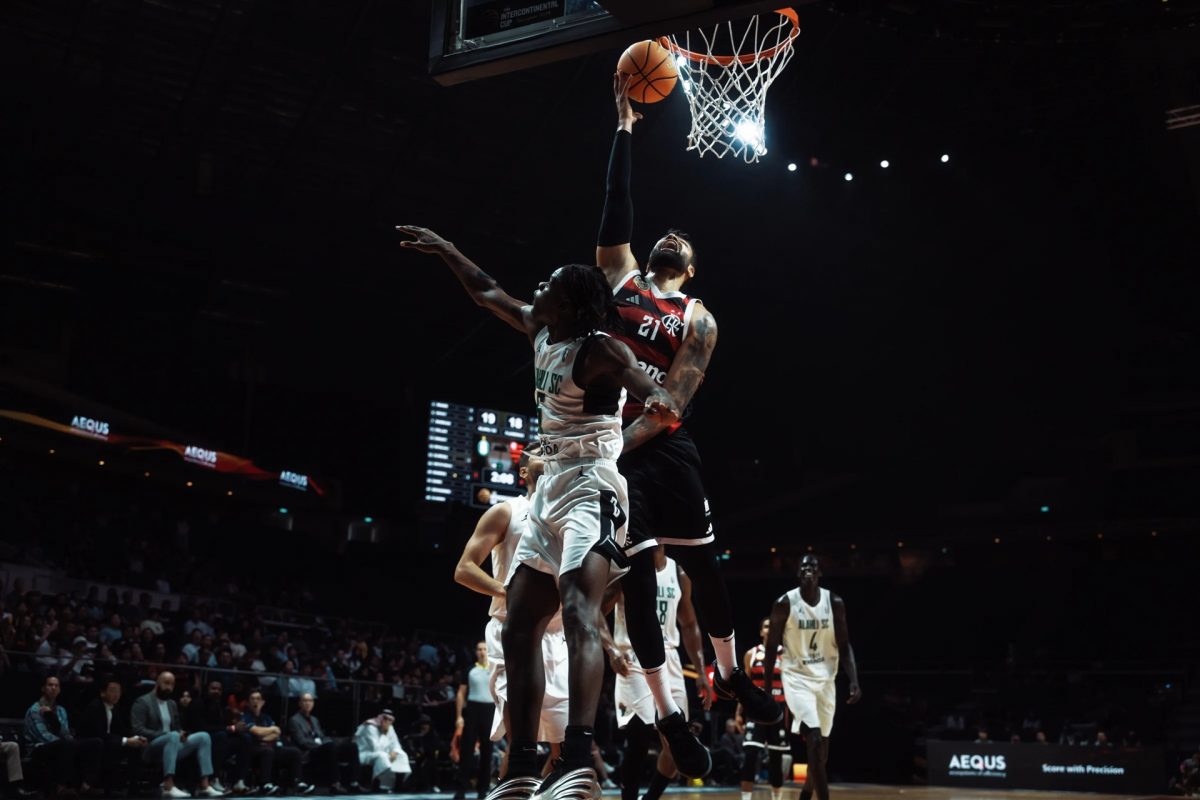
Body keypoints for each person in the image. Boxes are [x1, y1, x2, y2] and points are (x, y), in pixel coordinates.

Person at [396, 225, 681, 800]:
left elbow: (648, 386)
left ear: (571, 304)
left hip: (592, 487)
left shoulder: (601, 349)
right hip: (550, 487)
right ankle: (522, 765)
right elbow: (487, 292)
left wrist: (658, 398)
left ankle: (577, 758)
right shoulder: (540, 329)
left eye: (549, 285)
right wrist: (448, 250)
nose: (537, 289)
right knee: (519, 623)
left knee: (578, 612)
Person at [592, 70, 781, 779]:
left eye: (682, 240)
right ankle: (673, 720)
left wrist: (615, 444)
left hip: (663, 451)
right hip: (616, 456)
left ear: (690, 267)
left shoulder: (699, 319)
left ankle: (730, 677)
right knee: (639, 590)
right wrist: (624, 129)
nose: (669, 235)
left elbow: (670, 403)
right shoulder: (620, 279)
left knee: (704, 566)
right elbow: (616, 206)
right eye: (663, 235)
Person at [452, 447, 567, 780]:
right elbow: (464, 569)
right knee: (521, 741)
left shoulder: (570, 515)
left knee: (567, 750)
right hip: (512, 629)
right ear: (524, 471)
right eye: (540, 452)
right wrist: (508, 590)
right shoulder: (506, 511)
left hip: (557, 635)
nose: (549, 454)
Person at [601, 546, 710, 800]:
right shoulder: (625, 566)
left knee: (676, 744)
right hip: (633, 656)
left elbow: (689, 624)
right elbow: (593, 609)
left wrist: (701, 672)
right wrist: (611, 650)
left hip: (669, 657)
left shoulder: (678, 573)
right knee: (639, 735)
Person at [762, 556, 862, 800]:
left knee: (822, 749)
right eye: (804, 567)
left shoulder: (834, 602)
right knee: (814, 738)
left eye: (813, 567)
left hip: (826, 679)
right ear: (798, 573)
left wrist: (854, 680)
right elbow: (771, 647)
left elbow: (844, 644)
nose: (808, 570)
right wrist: (767, 689)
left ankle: (806, 792)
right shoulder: (784, 603)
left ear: (820, 574)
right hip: (796, 678)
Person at [129, 671, 225, 798]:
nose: (169, 687)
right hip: (150, 747)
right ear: (158, 683)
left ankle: (205, 785)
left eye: (172, 684)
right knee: (173, 735)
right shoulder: (142, 702)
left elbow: (176, 727)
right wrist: (166, 734)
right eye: (166, 683)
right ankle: (168, 786)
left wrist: (181, 732)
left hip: (173, 744)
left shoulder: (172, 704)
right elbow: (138, 729)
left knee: (204, 736)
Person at [23, 674, 104, 799]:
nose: (53, 688)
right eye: (50, 685)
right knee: (68, 744)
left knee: (95, 743)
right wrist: (68, 743)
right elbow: (42, 736)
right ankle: (60, 787)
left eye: (56, 686)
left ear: (60, 690)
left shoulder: (61, 710)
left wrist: (52, 717)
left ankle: (86, 786)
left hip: (62, 745)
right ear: (43, 688)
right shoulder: (34, 710)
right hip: (38, 748)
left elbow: (65, 733)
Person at [738, 618, 789, 800]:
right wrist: (738, 713)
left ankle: (777, 798)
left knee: (776, 758)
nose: (770, 629)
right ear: (761, 632)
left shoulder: (786, 654)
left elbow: (793, 686)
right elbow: (744, 686)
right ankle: (746, 798)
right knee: (750, 755)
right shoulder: (751, 654)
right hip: (756, 709)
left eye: (773, 626)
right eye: (766, 626)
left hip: (778, 710)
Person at [76, 676, 149, 795]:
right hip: (90, 742)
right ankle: (96, 786)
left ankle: (133, 787)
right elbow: (99, 733)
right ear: (103, 693)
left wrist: (137, 738)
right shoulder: (95, 707)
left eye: (118, 691)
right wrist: (126, 741)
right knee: (114, 744)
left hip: (107, 741)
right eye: (113, 691)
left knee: (135, 746)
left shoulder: (114, 708)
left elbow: (121, 729)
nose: (116, 694)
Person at [183, 680, 251, 795]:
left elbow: (222, 726)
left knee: (244, 738)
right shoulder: (197, 703)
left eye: (219, 689)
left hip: (217, 739)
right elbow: (201, 728)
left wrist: (236, 728)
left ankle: (238, 781)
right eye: (213, 688)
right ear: (207, 690)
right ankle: (212, 779)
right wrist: (231, 728)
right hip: (198, 739)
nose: (216, 691)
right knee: (221, 737)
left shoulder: (218, 706)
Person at [241, 689, 310, 796]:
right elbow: (257, 732)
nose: (255, 701)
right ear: (248, 702)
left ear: (263, 702)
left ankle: (298, 783)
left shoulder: (266, 717)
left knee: (294, 752)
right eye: (252, 699)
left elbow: (277, 733)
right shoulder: (245, 717)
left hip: (271, 747)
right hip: (254, 749)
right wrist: (268, 731)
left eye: (258, 699)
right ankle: (265, 784)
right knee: (267, 751)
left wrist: (262, 735)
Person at [287, 692, 360, 794]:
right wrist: (322, 746)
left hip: (324, 748)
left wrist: (332, 742)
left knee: (351, 746)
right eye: (305, 701)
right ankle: (335, 784)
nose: (308, 703)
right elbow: (301, 741)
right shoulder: (294, 720)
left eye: (310, 701)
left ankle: (354, 783)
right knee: (329, 747)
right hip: (309, 751)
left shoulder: (314, 719)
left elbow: (321, 736)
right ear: (299, 703)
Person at [453, 643, 495, 800]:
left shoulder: (495, 669)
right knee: (466, 750)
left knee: (487, 751)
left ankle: (483, 789)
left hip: (490, 710)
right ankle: (461, 788)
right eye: (479, 649)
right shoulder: (470, 670)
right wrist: (459, 716)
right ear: (476, 652)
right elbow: (460, 693)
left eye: (485, 649)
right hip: (472, 709)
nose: (482, 652)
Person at [353, 710, 411, 793]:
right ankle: (382, 786)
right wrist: (384, 732)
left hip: (382, 753)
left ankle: (398, 785)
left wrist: (394, 752)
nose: (387, 722)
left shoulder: (390, 727)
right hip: (364, 753)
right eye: (385, 719)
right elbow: (375, 747)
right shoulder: (370, 727)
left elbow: (396, 744)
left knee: (402, 755)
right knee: (382, 756)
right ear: (380, 718)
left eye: (389, 720)